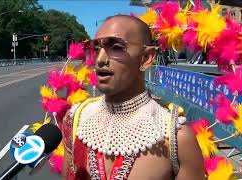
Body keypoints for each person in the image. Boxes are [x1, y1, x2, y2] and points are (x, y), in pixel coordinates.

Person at [61, 15, 204, 180]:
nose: (100, 60)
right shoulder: (75, 121)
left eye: (115, 47)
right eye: (95, 49)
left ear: (146, 58)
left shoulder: (177, 138)